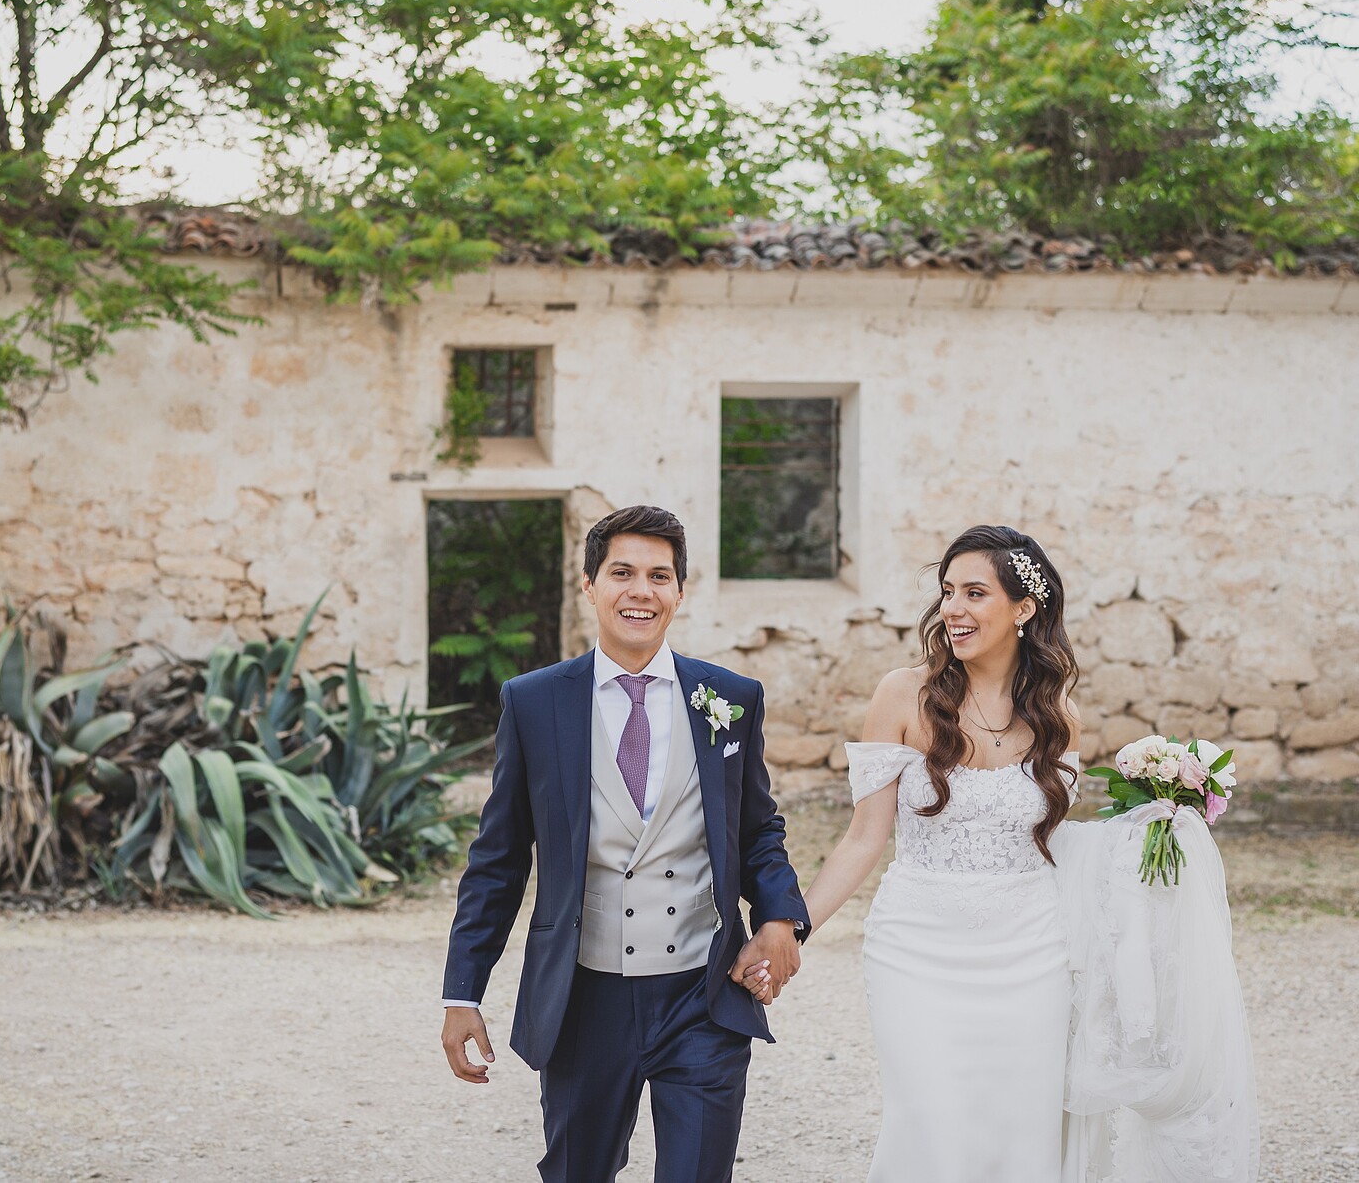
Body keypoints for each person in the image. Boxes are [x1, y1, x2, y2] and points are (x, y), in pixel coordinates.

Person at [753, 524, 1257, 1182]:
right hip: (915, 945)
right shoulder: (902, 694)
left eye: (974, 593)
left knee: (1020, 1133)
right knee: (928, 1119)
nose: (953, 609)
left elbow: (1057, 843)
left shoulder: (1057, 714)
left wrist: (1158, 819)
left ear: (1024, 608)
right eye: (947, 592)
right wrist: (790, 931)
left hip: (1031, 951)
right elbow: (863, 837)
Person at [440, 504, 810, 1183]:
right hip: (584, 1000)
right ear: (589, 584)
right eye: (622, 573)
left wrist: (781, 917)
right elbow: (497, 860)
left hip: (701, 995)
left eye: (659, 576)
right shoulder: (534, 702)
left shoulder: (730, 698)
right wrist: (461, 992)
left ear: (679, 591)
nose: (642, 591)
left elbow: (758, 828)